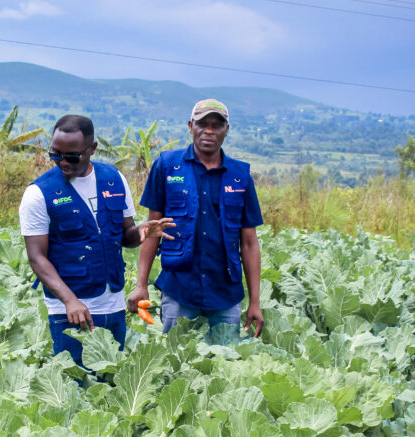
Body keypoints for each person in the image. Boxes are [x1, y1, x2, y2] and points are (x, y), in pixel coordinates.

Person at [20, 114, 173, 365]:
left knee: (111, 383)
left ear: (92, 149)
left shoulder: (113, 178)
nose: (62, 163)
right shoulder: (38, 193)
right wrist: (70, 301)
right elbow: (37, 258)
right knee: (76, 388)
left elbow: (126, 236)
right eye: (55, 155)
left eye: (71, 156)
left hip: (112, 304)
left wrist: (143, 232)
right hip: (69, 311)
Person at [128, 99, 264, 337]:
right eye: (202, 124)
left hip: (225, 292)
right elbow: (152, 231)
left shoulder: (240, 175)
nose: (209, 131)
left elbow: (250, 242)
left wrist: (255, 302)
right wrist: (141, 285)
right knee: (176, 361)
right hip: (179, 287)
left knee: (224, 364)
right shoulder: (167, 166)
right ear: (191, 126)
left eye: (216, 125)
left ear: (226, 130)